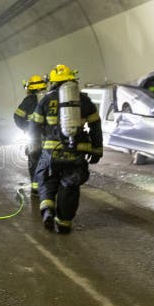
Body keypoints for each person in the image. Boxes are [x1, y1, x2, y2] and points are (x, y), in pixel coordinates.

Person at [29, 64, 102, 234]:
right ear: (73, 80)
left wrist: (34, 147)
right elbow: (95, 126)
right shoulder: (84, 100)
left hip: (51, 153)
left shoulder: (46, 100)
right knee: (70, 185)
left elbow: (34, 126)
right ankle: (64, 223)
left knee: (46, 179)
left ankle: (47, 210)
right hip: (76, 152)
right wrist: (97, 150)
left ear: (53, 83)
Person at [13, 75, 47, 194]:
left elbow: (17, 117)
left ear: (30, 88)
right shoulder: (50, 99)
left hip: (33, 138)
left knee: (34, 161)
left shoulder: (28, 101)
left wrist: (26, 128)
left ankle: (35, 187)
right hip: (50, 138)